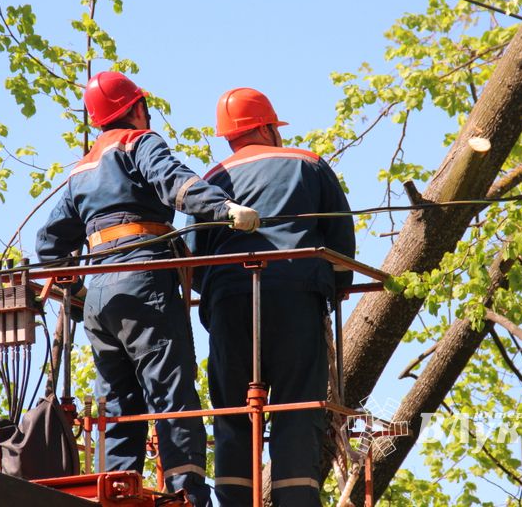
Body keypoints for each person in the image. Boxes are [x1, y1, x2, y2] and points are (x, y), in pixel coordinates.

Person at [36, 72, 259, 506]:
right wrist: (225, 209)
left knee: (117, 403)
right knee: (171, 389)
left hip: (101, 295)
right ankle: (187, 493)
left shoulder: (81, 170)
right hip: (144, 280)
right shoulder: (139, 142)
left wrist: (80, 298)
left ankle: (115, 492)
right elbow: (174, 182)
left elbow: (48, 245)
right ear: (134, 109)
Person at [187, 88, 356, 506]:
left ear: (230, 136)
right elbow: (341, 252)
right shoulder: (309, 165)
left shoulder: (210, 182)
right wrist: (332, 289)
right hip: (297, 299)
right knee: (298, 409)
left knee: (231, 414)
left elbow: (192, 266)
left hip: (228, 304)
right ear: (266, 127)